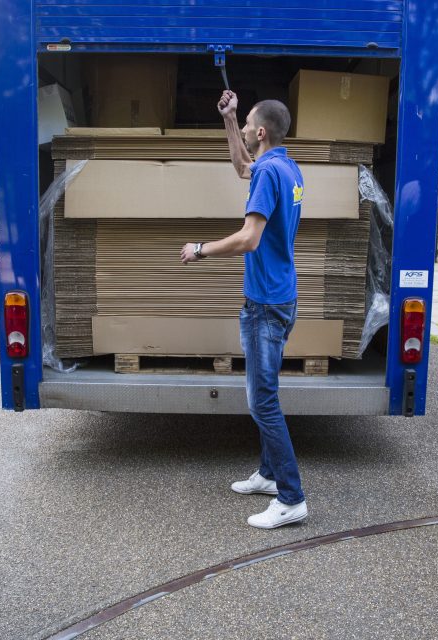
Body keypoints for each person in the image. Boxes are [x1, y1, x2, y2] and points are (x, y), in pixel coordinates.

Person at [180, 90, 308, 529]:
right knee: (265, 392)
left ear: (262, 131)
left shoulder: (270, 173)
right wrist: (230, 119)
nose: (245, 130)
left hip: (266, 304)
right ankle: (270, 476)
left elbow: (249, 238)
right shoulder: (285, 168)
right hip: (281, 294)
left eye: (247, 122)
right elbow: (241, 167)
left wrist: (200, 249)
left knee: (263, 401)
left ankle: (291, 497)